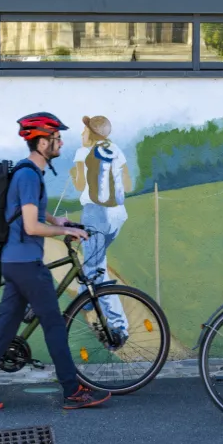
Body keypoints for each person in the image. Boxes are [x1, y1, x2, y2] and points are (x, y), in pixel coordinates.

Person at [0, 112, 112, 411]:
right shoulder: (28, 175)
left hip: (15, 261)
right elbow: (30, 226)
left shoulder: (29, 173)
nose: (60, 142)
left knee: (3, 331)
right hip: (26, 264)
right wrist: (66, 231)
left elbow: (28, 209)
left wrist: (56, 219)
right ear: (41, 143)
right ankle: (73, 391)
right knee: (54, 325)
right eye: (56, 138)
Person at [70, 115, 132, 343]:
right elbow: (128, 184)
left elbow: (79, 185)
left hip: (96, 214)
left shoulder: (83, 152)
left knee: (96, 269)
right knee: (95, 261)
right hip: (118, 214)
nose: (82, 133)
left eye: (84, 130)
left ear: (91, 133)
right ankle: (84, 301)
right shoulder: (116, 149)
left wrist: (75, 174)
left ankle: (118, 326)